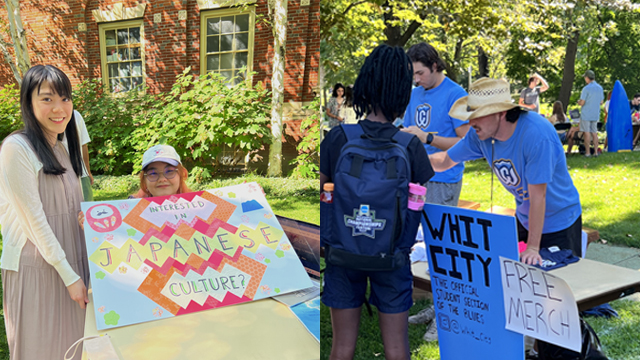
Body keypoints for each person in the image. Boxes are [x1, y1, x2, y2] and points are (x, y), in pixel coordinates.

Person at [320, 45, 433, 360]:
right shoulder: (410, 145)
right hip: (392, 258)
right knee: (397, 348)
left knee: (341, 348)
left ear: (365, 84)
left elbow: (324, 193)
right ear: (402, 92)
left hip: (342, 255)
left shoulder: (339, 137)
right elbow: (417, 202)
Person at [429, 78, 583, 267]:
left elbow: (538, 196)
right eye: (470, 115)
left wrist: (533, 248)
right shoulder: (480, 135)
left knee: (558, 288)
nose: (470, 122)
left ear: (501, 113)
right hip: (526, 219)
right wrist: (411, 162)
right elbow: (446, 160)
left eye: (478, 115)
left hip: (560, 222)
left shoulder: (536, 135)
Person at [0, 65, 89, 360]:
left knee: (77, 345)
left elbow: (72, 205)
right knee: (41, 348)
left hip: (71, 261)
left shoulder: (62, 148)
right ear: (28, 103)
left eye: (65, 98)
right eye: (47, 99)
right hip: (38, 267)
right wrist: (70, 277)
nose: (59, 108)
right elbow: (34, 221)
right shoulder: (17, 148)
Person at [399, 42, 469, 342]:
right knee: (423, 248)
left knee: (442, 249)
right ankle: (434, 307)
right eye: (413, 74)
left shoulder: (457, 95)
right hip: (415, 178)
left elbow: (466, 144)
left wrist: (425, 136)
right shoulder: (415, 94)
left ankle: (446, 317)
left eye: (420, 73)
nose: (416, 79)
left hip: (443, 179)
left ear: (436, 65)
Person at [62, 110, 94, 201]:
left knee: (87, 210)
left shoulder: (75, 115)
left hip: (80, 173)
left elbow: (83, 144)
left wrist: (88, 171)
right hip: (56, 175)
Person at [578, 70, 604, 157]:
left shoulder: (586, 89)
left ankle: (588, 152)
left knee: (586, 132)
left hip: (586, 114)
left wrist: (579, 102)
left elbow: (582, 102)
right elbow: (601, 102)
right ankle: (596, 152)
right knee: (594, 132)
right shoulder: (600, 88)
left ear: (587, 78)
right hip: (595, 113)